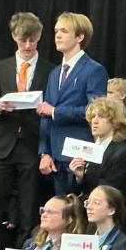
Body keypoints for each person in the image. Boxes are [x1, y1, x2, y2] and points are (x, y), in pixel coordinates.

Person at [0, 13, 50, 250]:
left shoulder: (49, 70)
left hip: (31, 144)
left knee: (28, 211)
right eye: (23, 40)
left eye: (32, 40)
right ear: (14, 37)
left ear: (39, 37)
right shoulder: (1, 68)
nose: (28, 45)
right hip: (2, 145)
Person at [38, 13, 109, 195]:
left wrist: (56, 112)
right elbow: (45, 113)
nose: (58, 35)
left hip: (80, 154)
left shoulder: (94, 70)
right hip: (55, 156)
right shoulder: (54, 73)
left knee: (79, 206)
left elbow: (94, 111)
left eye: (64, 31)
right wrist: (44, 152)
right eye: (56, 31)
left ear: (80, 37)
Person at [68, 96, 126, 198]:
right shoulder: (89, 149)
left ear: (115, 121)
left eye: (101, 116)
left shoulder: (125, 152)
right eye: (93, 116)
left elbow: (109, 191)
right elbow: (76, 190)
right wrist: (79, 177)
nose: (95, 121)